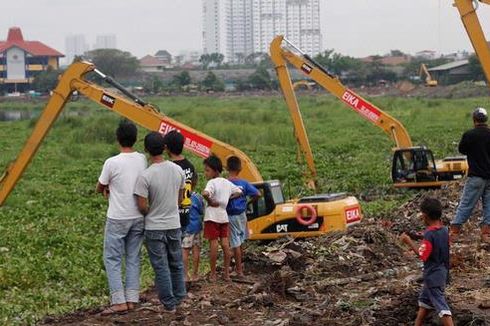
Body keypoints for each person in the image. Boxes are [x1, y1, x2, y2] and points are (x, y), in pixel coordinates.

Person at [96, 121, 147, 315]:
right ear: (135, 139)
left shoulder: (112, 162)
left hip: (118, 217)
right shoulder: (142, 159)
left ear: (118, 139)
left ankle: (118, 301)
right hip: (138, 215)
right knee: (133, 257)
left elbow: (100, 186)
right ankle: (132, 299)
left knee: (112, 258)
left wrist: (107, 188)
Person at [134, 132, 186, 313]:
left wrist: (152, 211)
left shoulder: (145, 176)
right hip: (174, 224)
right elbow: (179, 200)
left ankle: (169, 303)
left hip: (154, 227)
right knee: (176, 263)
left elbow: (142, 207)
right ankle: (180, 297)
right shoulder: (177, 170)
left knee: (161, 266)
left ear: (146, 150)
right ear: (164, 147)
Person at [400, 197, 453, 326]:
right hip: (442, 272)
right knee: (424, 303)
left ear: (424, 215)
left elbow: (422, 255)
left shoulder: (429, 234)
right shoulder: (445, 231)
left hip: (432, 276)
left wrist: (408, 241)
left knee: (442, 307)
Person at [451, 107, 490, 243]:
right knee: (489, 205)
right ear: (486, 120)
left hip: (476, 177)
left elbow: (462, 149)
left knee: (467, 204)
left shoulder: (469, 135)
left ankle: (455, 231)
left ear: (474, 120)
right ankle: (486, 234)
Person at [202, 154, 242, 282]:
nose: (205, 173)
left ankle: (213, 274)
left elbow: (205, 193)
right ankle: (226, 274)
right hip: (224, 216)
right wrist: (228, 198)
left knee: (213, 245)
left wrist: (210, 200)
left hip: (212, 216)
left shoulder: (212, 182)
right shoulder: (227, 182)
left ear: (215, 170)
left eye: (207, 170)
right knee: (225, 244)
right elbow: (239, 192)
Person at [226, 156, 260, 278]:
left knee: (234, 243)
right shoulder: (244, 183)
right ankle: (241, 265)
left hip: (231, 215)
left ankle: (239, 270)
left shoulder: (226, 183)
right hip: (242, 215)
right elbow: (257, 193)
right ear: (240, 169)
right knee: (240, 241)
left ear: (227, 168)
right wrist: (248, 202)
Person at [163, 130, 195, 235]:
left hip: (172, 216)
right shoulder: (189, 165)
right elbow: (194, 181)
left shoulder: (170, 168)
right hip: (185, 213)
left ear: (166, 147)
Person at [181, 172, 204, 282]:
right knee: (196, 251)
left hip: (186, 228)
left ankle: (185, 275)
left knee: (185, 251)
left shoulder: (181, 197)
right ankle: (195, 274)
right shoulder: (198, 197)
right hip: (197, 227)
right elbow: (201, 211)